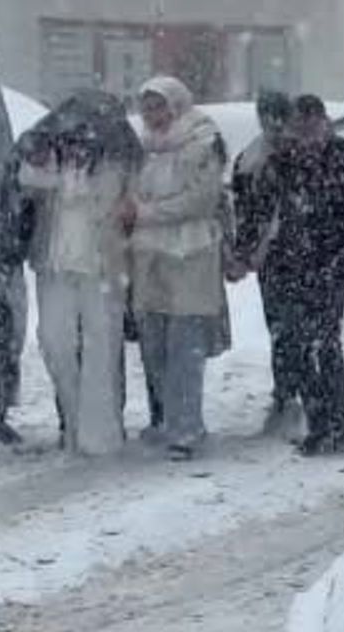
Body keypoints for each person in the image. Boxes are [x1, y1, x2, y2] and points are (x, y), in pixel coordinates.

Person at [248, 95, 344, 456]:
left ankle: (338, 424)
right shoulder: (280, 163)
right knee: (295, 345)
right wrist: (252, 249)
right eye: (300, 124)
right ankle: (317, 421)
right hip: (287, 265)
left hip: (328, 264)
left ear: (324, 123)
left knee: (325, 343)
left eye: (313, 122)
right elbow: (260, 210)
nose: (307, 131)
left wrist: (342, 237)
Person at [19, 90, 142, 455]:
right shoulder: (46, 164)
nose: (78, 145)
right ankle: (73, 422)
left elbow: (134, 206)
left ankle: (101, 432)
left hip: (103, 266)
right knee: (55, 342)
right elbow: (23, 179)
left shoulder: (121, 165)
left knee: (101, 348)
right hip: (54, 264)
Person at [120, 76, 229, 461]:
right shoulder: (143, 149)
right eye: (146, 108)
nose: (152, 115)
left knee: (185, 345)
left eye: (158, 106)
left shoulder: (201, 142)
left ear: (177, 105)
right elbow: (129, 192)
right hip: (149, 257)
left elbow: (199, 200)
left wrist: (147, 214)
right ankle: (165, 418)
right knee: (154, 345)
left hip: (190, 255)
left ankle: (187, 427)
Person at [227, 90, 305, 438]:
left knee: (301, 326)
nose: (272, 123)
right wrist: (243, 252)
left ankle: (305, 390)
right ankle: (286, 392)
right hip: (271, 256)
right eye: (266, 116)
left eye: (277, 115)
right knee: (281, 327)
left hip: (306, 253)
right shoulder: (249, 158)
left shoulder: (301, 151)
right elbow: (244, 212)